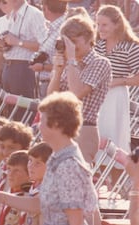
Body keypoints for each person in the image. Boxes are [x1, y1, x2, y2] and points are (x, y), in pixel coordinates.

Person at [0, 91, 99, 225]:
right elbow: (41, 204)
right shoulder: (57, 157)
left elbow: (76, 219)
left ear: (56, 124)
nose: (38, 125)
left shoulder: (68, 165)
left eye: (42, 120)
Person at [47, 15, 112, 163]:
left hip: (83, 129)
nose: (71, 47)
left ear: (89, 38)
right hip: (60, 127)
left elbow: (77, 93)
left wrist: (70, 60)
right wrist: (57, 72)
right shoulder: (68, 64)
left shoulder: (100, 63)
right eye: (67, 42)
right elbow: (51, 98)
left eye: (74, 42)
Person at [95, 5, 139, 160]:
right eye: (98, 24)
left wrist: (117, 82)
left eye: (104, 24)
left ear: (117, 25)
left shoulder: (130, 47)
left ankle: (114, 175)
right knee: (97, 135)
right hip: (97, 95)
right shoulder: (98, 44)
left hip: (116, 97)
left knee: (114, 137)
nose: (100, 28)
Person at [0, 0, 46, 99]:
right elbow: (7, 44)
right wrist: (3, 45)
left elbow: (45, 46)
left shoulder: (34, 14)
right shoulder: (9, 15)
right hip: (7, 67)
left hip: (25, 68)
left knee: (23, 111)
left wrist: (18, 42)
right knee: (9, 111)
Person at [28, 0, 66, 99]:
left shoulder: (63, 29)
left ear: (46, 8)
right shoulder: (53, 27)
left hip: (55, 85)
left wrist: (43, 67)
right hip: (45, 83)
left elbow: (67, 64)